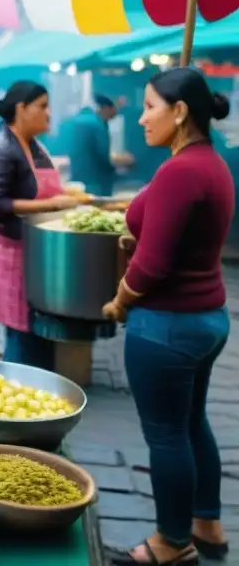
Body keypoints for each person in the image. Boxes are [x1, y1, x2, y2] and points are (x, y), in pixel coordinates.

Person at [102, 68, 233, 566]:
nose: (141, 118)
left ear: (179, 112)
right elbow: (179, 238)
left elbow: (153, 266)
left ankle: (171, 543)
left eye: (150, 106)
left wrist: (120, 300)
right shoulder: (209, 163)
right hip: (206, 316)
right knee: (192, 423)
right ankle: (208, 525)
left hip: (168, 326)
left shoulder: (180, 170)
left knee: (167, 435)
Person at [0, 81, 79, 370]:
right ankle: (17, 391)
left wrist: (70, 196)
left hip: (35, 251)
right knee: (21, 331)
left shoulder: (35, 147)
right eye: (42, 106)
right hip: (11, 251)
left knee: (36, 329)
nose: (48, 114)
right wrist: (52, 205)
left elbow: (40, 188)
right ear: (21, 109)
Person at [67, 94, 131, 197]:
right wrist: (122, 161)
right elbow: (104, 156)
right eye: (114, 109)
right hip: (97, 182)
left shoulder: (79, 120)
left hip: (77, 179)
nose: (115, 113)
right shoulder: (97, 124)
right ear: (106, 108)